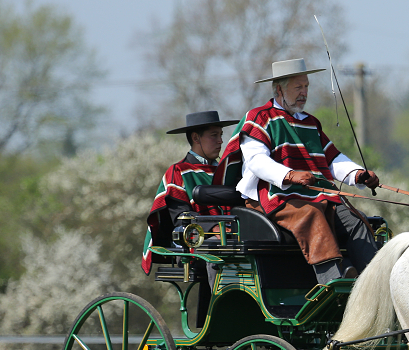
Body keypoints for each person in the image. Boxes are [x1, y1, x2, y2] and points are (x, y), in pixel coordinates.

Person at [214, 58, 380, 283]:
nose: (304, 92)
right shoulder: (260, 117)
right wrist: (289, 175)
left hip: (317, 195)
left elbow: (332, 159)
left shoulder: (311, 122)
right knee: (312, 215)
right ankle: (332, 284)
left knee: (356, 221)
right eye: (298, 87)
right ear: (279, 89)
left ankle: (373, 283)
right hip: (274, 196)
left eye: (307, 86)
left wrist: (359, 174)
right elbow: (256, 161)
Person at [141, 111, 239, 274]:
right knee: (217, 248)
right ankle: (221, 296)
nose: (221, 141)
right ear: (196, 138)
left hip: (229, 237)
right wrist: (214, 227)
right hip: (194, 245)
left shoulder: (227, 170)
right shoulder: (178, 172)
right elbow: (181, 218)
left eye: (221, 135)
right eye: (214, 135)